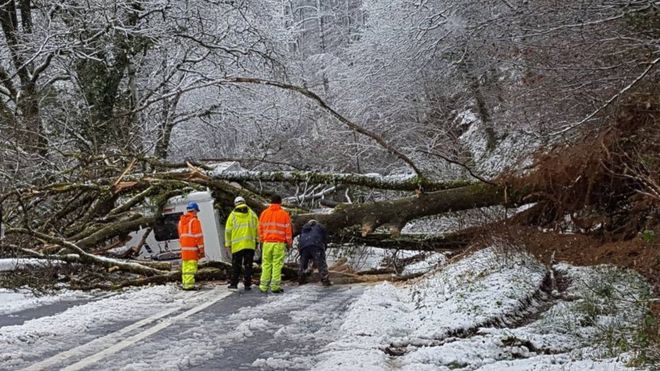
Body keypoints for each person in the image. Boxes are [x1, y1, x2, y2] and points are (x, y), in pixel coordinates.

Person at [258, 194, 292, 293]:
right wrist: (289, 242)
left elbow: (260, 228)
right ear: (280, 202)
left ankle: (263, 286)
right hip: (279, 243)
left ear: (271, 202)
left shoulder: (264, 213)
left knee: (266, 264)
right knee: (277, 264)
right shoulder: (284, 214)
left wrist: (261, 240)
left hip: (267, 243)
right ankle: (275, 286)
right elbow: (288, 230)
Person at [224, 196, 259, 291]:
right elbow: (257, 229)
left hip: (237, 246)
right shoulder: (252, 214)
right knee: (248, 265)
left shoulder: (232, 215)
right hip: (249, 245)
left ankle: (234, 284)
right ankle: (247, 284)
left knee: (236, 266)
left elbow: (228, 231)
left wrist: (228, 244)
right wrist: (257, 241)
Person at [178, 201, 205, 290]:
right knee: (191, 268)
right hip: (192, 249)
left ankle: (186, 284)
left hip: (184, 250)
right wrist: (201, 250)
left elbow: (181, 236)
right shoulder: (195, 221)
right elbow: (198, 237)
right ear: (194, 211)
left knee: (185, 268)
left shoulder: (181, 222)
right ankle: (189, 285)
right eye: (197, 211)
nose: (197, 213)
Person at [298, 219, 332, 286]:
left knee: (303, 264)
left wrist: (300, 250)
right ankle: (325, 280)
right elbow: (324, 238)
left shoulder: (304, 228)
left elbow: (301, 239)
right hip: (316, 245)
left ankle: (301, 279)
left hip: (303, 247)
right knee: (321, 264)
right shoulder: (320, 226)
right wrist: (324, 248)